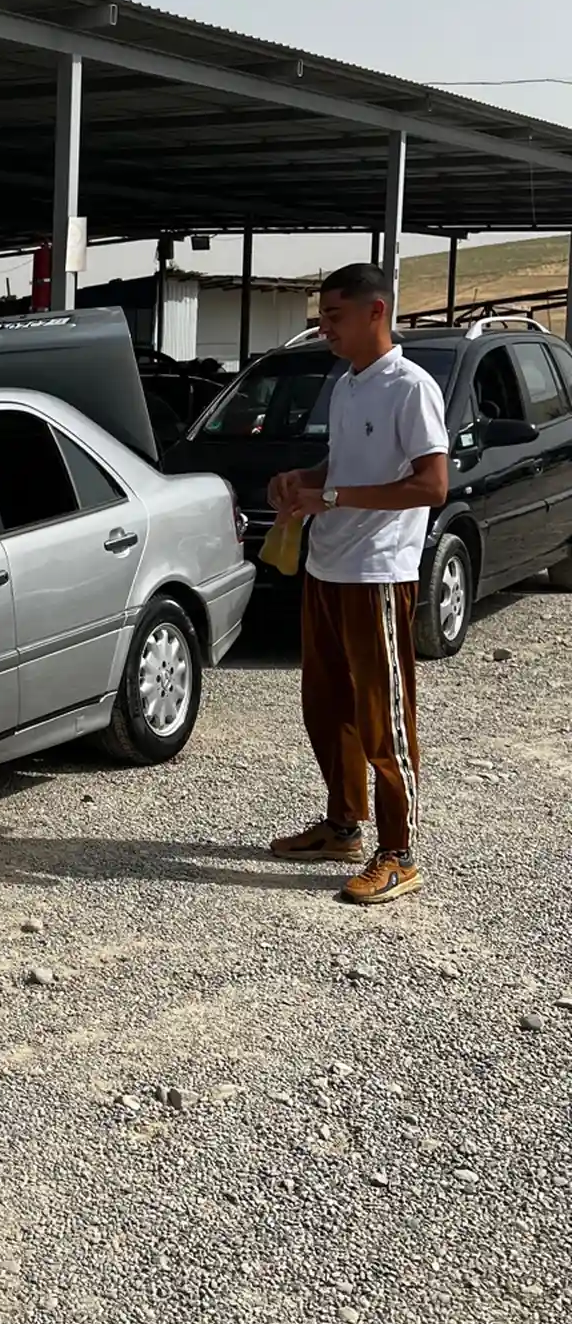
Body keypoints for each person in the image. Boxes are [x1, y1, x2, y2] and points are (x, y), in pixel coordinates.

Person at [268, 263, 449, 906]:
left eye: (335, 316)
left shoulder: (411, 387)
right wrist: (304, 479)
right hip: (327, 565)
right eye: (321, 318)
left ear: (377, 313)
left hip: (376, 573)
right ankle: (343, 825)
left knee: (383, 716)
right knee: (326, 705)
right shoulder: (347, 384)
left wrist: (335, 495)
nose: (324, 329)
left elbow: (433, 484)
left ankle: (399, 852)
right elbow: (342, 465)